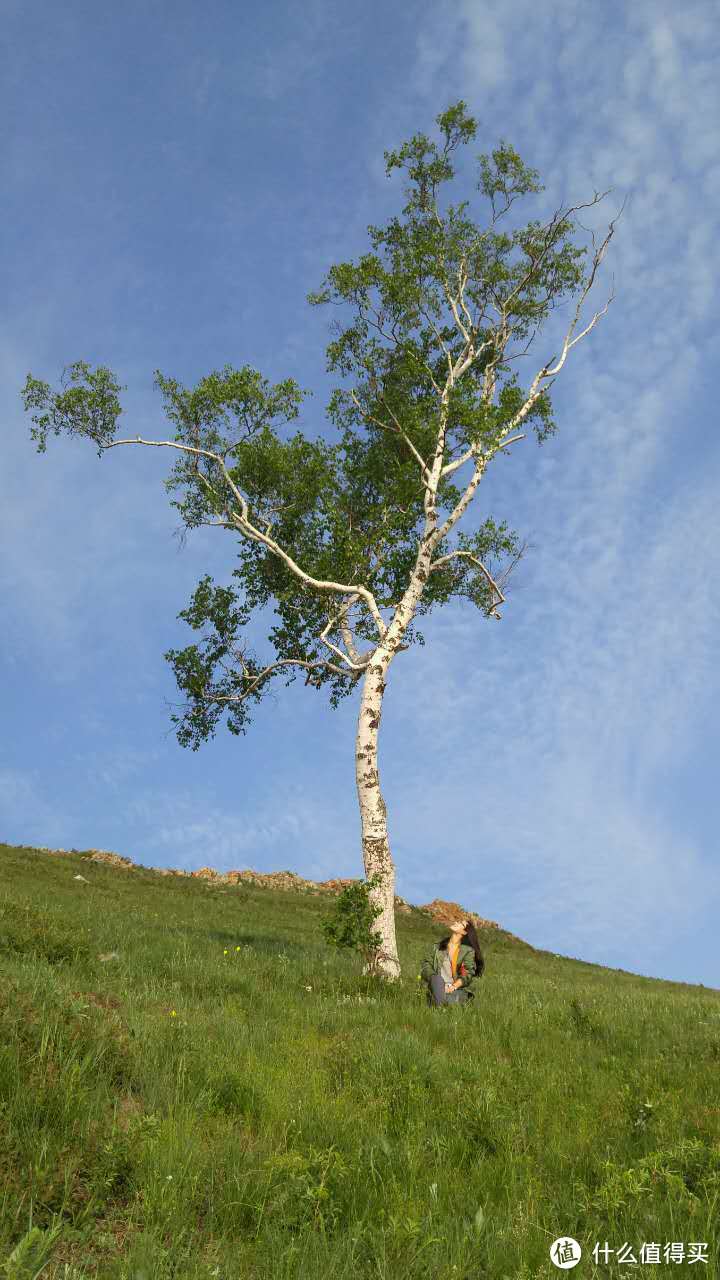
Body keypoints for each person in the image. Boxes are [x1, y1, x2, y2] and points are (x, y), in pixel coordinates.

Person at [420, 915, 485, 1007]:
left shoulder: (467, 951)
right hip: (436, 985)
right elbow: (426, 965)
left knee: (449, 999)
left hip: (455, 989)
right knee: (437, 982)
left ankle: (439, 1006)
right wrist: (435, 979)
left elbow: (467, 973)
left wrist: (453, 987)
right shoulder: (437, 947)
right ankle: (440, 1006)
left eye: (460, 923)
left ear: (464, 932)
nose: (456, 922)